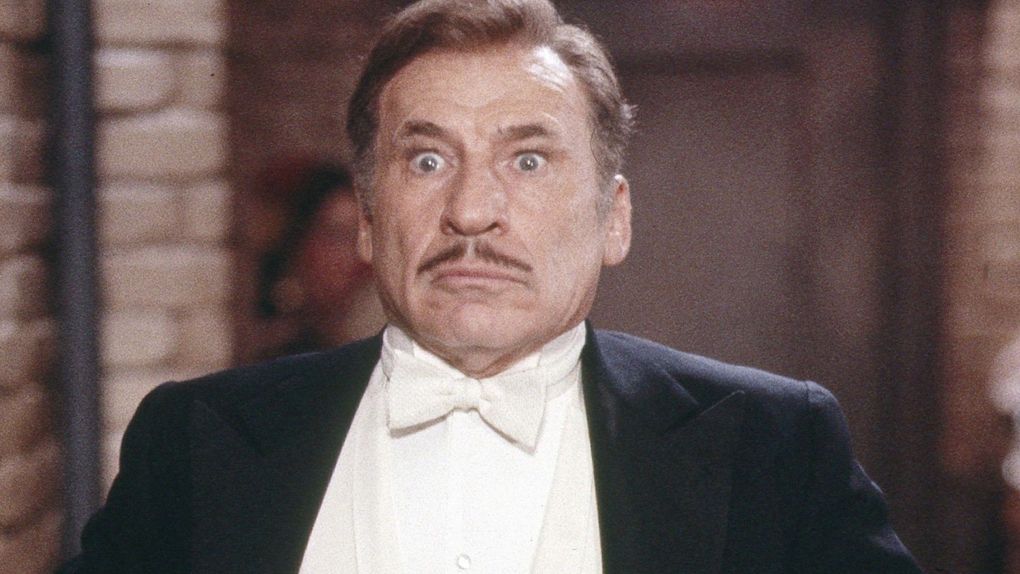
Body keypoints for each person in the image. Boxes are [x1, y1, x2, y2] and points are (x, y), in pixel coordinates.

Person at [61, 0, 923, 572]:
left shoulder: (774, 447)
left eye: (529, 160)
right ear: (368, 218)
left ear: (614, 218)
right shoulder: (195, 444)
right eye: (426, 160)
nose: (472, 210)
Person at [252, 159, 385, 360]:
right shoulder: (269, 335)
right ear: (301, 240)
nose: (351, 253)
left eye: (356, 237)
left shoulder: (374, 326)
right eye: (336, 235)